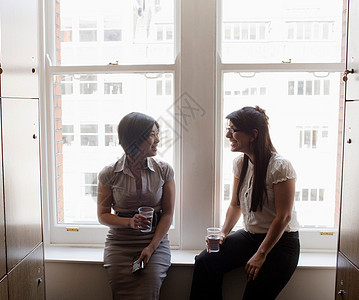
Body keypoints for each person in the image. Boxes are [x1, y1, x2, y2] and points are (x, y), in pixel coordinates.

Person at [190, 106, 300, 300]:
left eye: (233, 130)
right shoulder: (240, 164)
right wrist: (223, 233)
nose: (227, 135)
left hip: (280, 243)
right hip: (250, 237)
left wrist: (261, 254)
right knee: (205, 262)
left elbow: (284, 217)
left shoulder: (280, 167)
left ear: (253, 135)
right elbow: (235, 205)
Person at [97, 112, 175, 300]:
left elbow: (168, 214)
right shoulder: (109, 173)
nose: (157, 140)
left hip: (155, 241)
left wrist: (151, 247)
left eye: (157, 134)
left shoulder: (164, 170)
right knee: (121, 293)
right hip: (120, 243)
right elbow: (103, 215)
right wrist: (129, 222)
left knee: (149, 291)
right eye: (152, 135)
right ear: (135, 139)